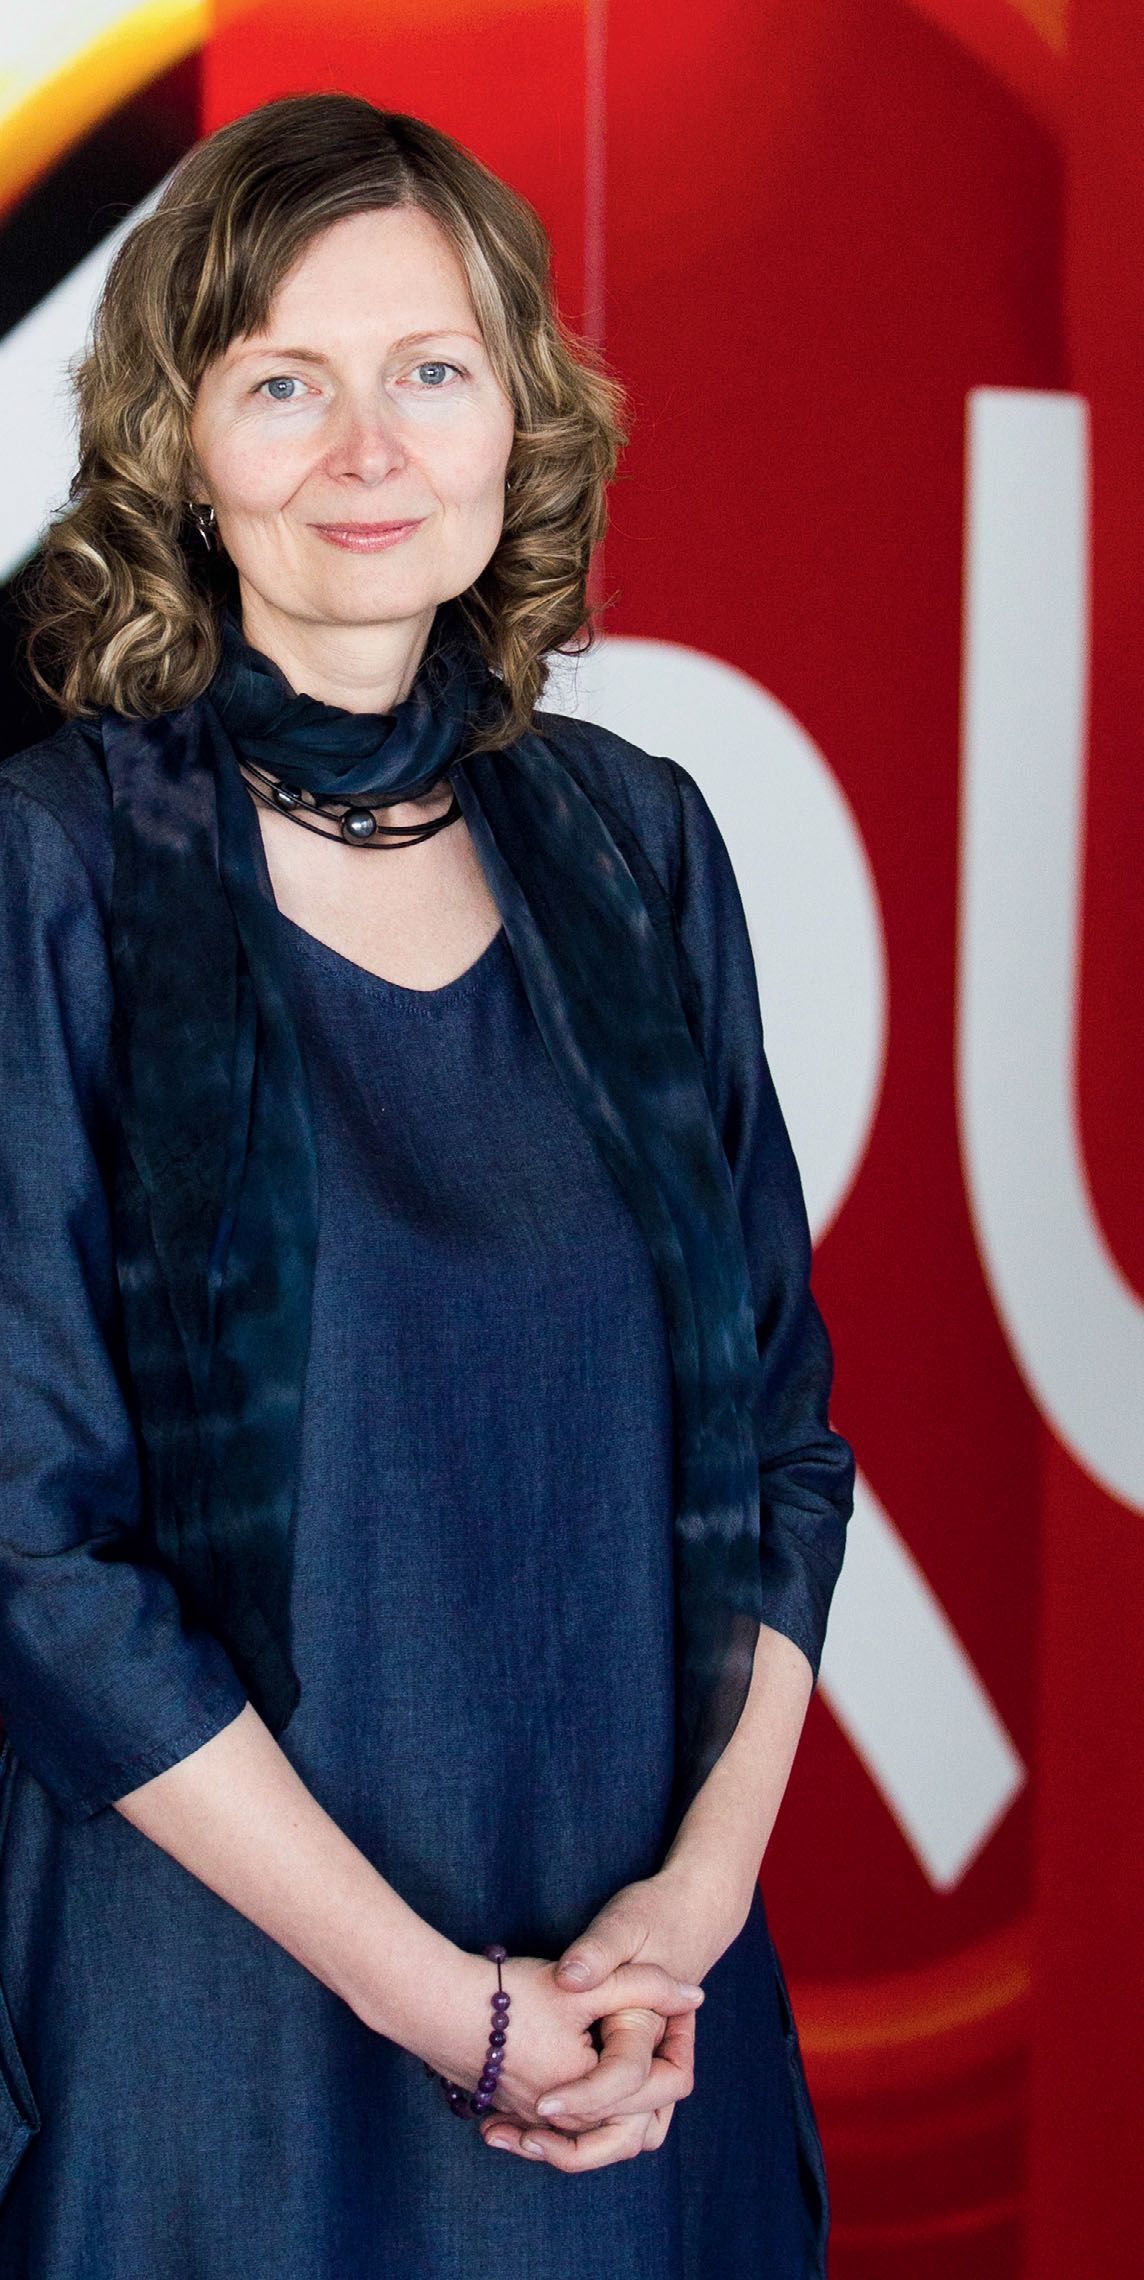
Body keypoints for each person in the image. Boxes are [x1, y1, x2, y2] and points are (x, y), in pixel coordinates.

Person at [0, 91, 856, 2279]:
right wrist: (445, 2008)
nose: (369, 449)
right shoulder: (53, 872)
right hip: (222, 2072)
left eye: (431, 371)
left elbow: (784, 1447)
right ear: (182, 443)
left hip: (639, 2041)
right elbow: (32, 1558)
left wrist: (691, 1913)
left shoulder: (639, 843)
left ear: (518, 422)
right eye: (284, 381)